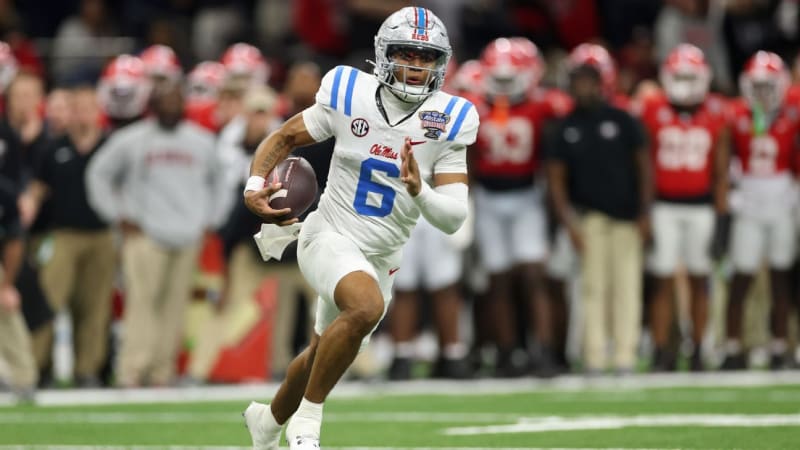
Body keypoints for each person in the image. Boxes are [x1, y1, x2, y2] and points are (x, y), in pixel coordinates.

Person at [242, 7, 478, 450]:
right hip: (328, 233)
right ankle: (307, 426)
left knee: (321, 352)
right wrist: (255, 184)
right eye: (406, 53)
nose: (414, 66)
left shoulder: (451, 118)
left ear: (441, 63)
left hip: (383, 256)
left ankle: (268, 423)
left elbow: (453, 217)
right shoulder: (349, 91)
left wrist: (420, 191)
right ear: (383, 55)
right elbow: (286, 138)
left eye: (425, 57)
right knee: (365, 308)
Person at [86, 81, 224, 387]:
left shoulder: (201, 141)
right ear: (153, 105)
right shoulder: (131, 140)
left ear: (184, 105)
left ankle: (161, 373)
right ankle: (131, 372)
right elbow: (98, 174)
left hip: (188, 236)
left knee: (175, 308)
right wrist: (116, 215)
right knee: (142, 305)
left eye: (176, 101)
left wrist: (211, 219)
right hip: (145, 235)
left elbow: (222, 181)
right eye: (164, 101)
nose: (171, 107)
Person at [546, 57, 652, 375]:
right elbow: (556, 183)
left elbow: (644, 168)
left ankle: (624, 355)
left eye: (587, 79)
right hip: (588, 219)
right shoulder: (564, 129)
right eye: (577, 80)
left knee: (627, 287)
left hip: (627, 218)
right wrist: (569, 224)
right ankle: (594, 355)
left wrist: (646, 213)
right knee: (592, 289)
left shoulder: (622, 120)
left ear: (599, 83)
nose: (582, 86)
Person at [637, 44, 730, 371]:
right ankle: (663, 348)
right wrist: (645, 211)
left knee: (699, 278)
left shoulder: (717, 112)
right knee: (662, 279)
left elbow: (720, 173)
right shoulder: (652, 109)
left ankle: (697, 348)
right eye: (681, 77)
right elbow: (644, 165)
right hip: (664, 206)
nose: (686, 84)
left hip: (700, 206)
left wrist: (722, 218)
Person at [22, 86, 115, 387]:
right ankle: (37, 367)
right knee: (48, 300)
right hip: (61, 236)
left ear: (97, 112)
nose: (82, 114)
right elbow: (37, 190)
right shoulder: (53, 147)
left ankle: (87, 370)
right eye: (76, 108)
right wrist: (24, 216)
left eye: (88, 108)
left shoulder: (110, 147)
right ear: (69, 113)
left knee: (95, 307)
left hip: (102, 235)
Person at [722, 51, 799, 370]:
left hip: (781, 199)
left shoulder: (793, 112)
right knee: (742, 275)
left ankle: (780, 345)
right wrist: (731, 191)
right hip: (749, 200)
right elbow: (723, 159)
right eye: (758, 85)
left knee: (782, 275)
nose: (764, 92)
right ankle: (733, 346)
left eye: (769, 85)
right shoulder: (735, 114)